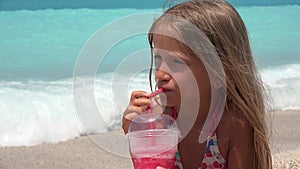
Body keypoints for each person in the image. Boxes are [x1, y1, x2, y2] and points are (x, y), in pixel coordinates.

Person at [122, 0, 272, 168]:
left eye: (177, 62)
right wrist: (135, 130)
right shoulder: (160, 116)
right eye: (158, 59)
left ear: (221, 71)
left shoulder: (233, 125)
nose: (160, 74)